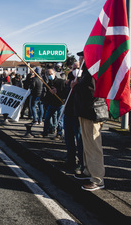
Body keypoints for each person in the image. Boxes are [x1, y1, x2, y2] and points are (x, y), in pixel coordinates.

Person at [71, 51, 108, 191]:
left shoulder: (93, 72)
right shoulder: (88, 71)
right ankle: (88, 172)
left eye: (82, 56)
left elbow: (92, 91)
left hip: (92, 112)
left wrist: (77, 86)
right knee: (87, 145)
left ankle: (97, 179)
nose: (80, 58)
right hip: (86, 112)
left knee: (93, 146)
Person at [63, 62, 83, 173]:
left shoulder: (83, 80)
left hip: (78, 114)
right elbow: (66, 94)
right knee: (69, 138)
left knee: (79, 139)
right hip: (68, 112)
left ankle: (81, 163)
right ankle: (70, 158)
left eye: (78, 68)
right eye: (73, 68)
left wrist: (77, 86)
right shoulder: (70, 78)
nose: (75, 70)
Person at [38, 68, 66, 139]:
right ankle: (45, 132)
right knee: (47, 118)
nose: (49, 76)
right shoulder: (48, 84)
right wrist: (44, 99)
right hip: (52, 103)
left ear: (54, 74)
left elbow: (65, 92)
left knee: (60, 120)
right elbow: (47, 94)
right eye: (48, 74)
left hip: (60, 103)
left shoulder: (61, 82)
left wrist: (57, 91)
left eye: (51, 74)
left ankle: (59, 134)